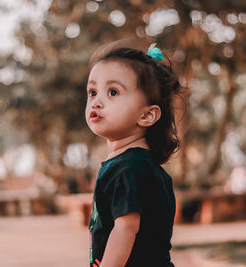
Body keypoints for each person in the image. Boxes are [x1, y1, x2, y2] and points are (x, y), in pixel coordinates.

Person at [86, 42, 181, 267]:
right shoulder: (139, 165)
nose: (96, 101)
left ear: (147, 115)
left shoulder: (129, 168)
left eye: (113, 92)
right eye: (92, 92)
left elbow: (126, 228)